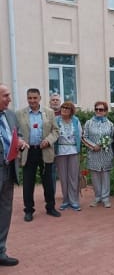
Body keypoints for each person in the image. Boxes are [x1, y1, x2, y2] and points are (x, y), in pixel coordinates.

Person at [17, 88, 60, 222]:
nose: (32, 101)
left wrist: (48, 140)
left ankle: (51, 207)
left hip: (45, 151)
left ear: (40, 98)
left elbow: (56, 131)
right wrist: (20, 141)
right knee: (28, 183)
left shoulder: (49, 112)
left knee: (48, 181)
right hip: (28, 151)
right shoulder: (19, 114)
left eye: (35, 98)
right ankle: (29, 210)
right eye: (30, 98)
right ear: (27, 98)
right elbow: (16, 133)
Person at [0, 84, 28, 267]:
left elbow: (17, 134)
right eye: (5, 96)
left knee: (5, 211)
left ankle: (1, 250)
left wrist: (20, 141)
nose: (9, 99)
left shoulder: (10, 115)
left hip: (9, 169)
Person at [82, 101, 114, 208]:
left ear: (105, 111)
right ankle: (97, 197)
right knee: (95, 177)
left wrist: (103, 144)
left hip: (106, 154)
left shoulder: (110, 124)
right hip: (93, 154)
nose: (99, 111)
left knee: (105, 177)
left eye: (101, 109)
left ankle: (105, 198)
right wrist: (93, 146)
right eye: (97, 109)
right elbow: (84, 137)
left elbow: (112, 137)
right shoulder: (88, 123)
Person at [55, 101, 82, 211]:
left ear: (71, 111)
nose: (65, 109)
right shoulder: (56, 120)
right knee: (63, 177)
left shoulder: (75, 121)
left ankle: (74, 200)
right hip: (60, 151)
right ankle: (65, 200)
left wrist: (78, 148)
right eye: (63, 107)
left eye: (67, 108)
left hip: (73, 150)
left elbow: (80, 134)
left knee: (73, 176)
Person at [49, 93, 61, 198]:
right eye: (53, 100)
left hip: (63, 146)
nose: (55, 101)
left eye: (57, 100)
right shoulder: (46, 113)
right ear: (50, 102)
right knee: (51, 172)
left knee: (64, 171)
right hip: (50, 146)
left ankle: (68, 194)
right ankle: (51, 195)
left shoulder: (65, 113)